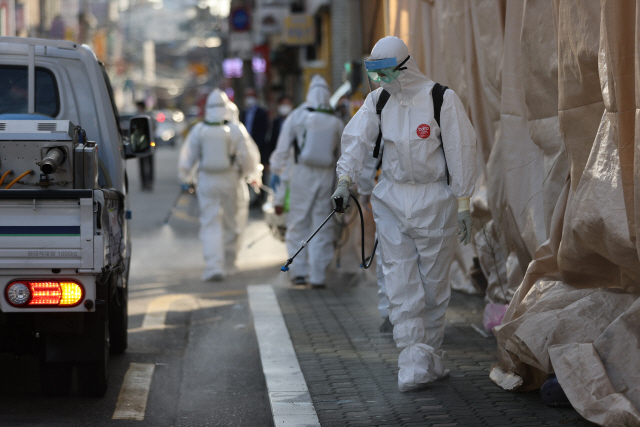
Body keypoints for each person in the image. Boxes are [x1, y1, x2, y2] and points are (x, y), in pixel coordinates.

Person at [332, 36, 476, 391]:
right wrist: (345, 180)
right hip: (392, 200)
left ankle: (431, 357)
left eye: (385, 74)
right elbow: (357, 140)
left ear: (404, 67)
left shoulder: (441, 99)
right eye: (376, 75)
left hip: (434, 202)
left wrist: (463, 201)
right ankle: (412, 360)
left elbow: (461, 149)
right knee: (399, 280)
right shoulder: (379, 101)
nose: (381, 82)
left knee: (433, 286)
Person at [178, 89, 260, 281]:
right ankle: (229, 263)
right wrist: (249, 174)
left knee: (210, 223)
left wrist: (185, 179)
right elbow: (249, 157)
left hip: (207, 181)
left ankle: (214, 266)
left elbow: (187, 159)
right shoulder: (235, 129)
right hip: (231, 180)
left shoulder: (199, 130)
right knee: (232, 221)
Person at [270, 75, 345, 287]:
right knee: (322, 224)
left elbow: (282, 150)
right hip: (327, 176)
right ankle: (318, 275)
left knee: (298, 222)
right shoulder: (337, 121)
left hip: (301, 174)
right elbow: (344, 155)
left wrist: (277, 172)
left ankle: (298, 273)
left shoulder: (296, 116)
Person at [240, 88, 270, 204]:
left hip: (259, 147)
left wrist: (255, 145)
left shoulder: (262, 112)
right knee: (246, 172)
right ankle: (248, 198)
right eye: (247, 96)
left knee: (260, 173)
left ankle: (261, 198)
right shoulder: (243, 112)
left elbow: (263, 131)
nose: (249, 99)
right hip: (245, 148)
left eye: (251, 95)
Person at [136, 100, 154, 191]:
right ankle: (144, 183)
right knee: (142, 164)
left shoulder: (148, 116)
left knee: (150, 164)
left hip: (148, 143)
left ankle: (149, 182)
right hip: (140, 144)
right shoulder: (136, 116)